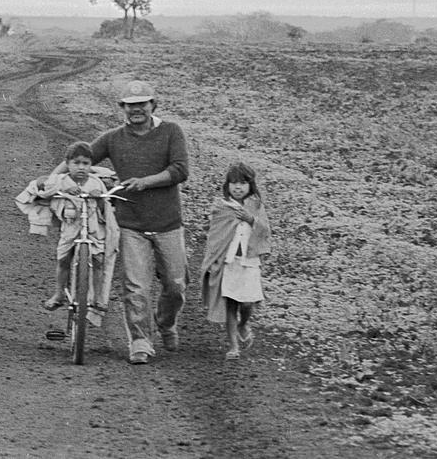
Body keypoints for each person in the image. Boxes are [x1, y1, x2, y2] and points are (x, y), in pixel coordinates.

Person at [49, 80, 189, 365]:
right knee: (135, 286)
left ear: (153, 105)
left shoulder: (171, 132)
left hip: (168, 221)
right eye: (130, 105)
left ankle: (165, 322)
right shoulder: (113, 137)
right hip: (129, 222)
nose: (136, 110)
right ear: (122, 108)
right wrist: (53, 181)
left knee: (176, 285)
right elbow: (81, 157)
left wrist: (145, 182)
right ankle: (140, 342)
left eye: (142, 104)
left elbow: (180, 169)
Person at [198, 162, 271, 360]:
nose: (237, 187)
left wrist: (251, 219)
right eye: (233, 183)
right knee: (230, 303)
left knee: (247, 303)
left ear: (250, 185)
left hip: (249, 262)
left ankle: (243, 324)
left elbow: (265, 230)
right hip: (228, 262)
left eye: (242, 183)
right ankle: (233, 346)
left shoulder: (256, 206)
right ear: (227, 185)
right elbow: (215, 235)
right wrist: (213, 260)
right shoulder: (222, 207)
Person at [37, 141, 110, 312]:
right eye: (76, 163)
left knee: (98, 260)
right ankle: (59, 294)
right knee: (63, 260)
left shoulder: (95, 182)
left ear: (91, 165)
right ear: (67, 164)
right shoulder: (60, 180)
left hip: (92, 227)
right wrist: (64, 191)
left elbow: (103, 208)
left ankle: (98, 297)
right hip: (71, 226)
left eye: (86, 163)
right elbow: (45, 192)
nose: (81, 167)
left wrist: (98, 197)